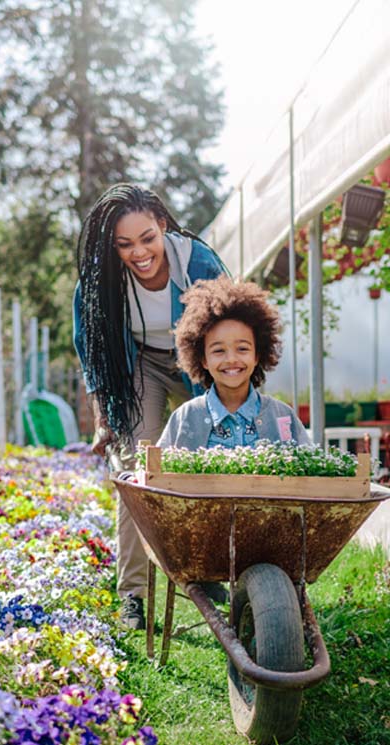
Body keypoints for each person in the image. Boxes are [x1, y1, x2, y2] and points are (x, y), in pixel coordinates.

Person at [73, 183, 228, 629]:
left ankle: (205, 569)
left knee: (214, 454)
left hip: (195, 361)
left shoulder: (197, 262)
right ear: (112, 245)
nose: (139, 252)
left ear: (162, 225)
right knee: (137, 468)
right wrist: (105, 419)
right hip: (138, 364)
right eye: (124, 244)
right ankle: (132, 596)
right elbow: (92, 350)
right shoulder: (101, 281)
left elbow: (233, 326)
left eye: (146, 238)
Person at [158, 276, 311, 451]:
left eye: (242, 349)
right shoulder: (185, 417)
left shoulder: (282, 417)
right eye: (218, 350)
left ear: (257, 355)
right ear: (203, 360)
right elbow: (157, 471)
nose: (231, 359)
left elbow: (309, 471)